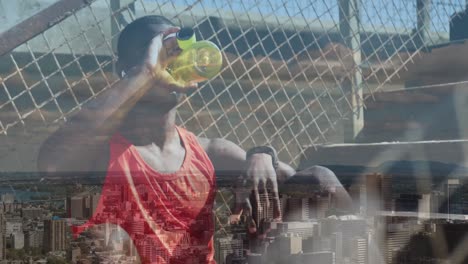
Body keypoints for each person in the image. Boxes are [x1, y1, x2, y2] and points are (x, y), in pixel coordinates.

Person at [37, 15, 350, 263]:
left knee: (322, 179)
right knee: (106, 240)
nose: (169, 65)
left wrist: (261, 154)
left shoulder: (207, 152)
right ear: (126, 70)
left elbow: (305, 183)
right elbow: (52, 163)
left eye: (175, 54)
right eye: (160, 55)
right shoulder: (101, 152)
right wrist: (146, 72)